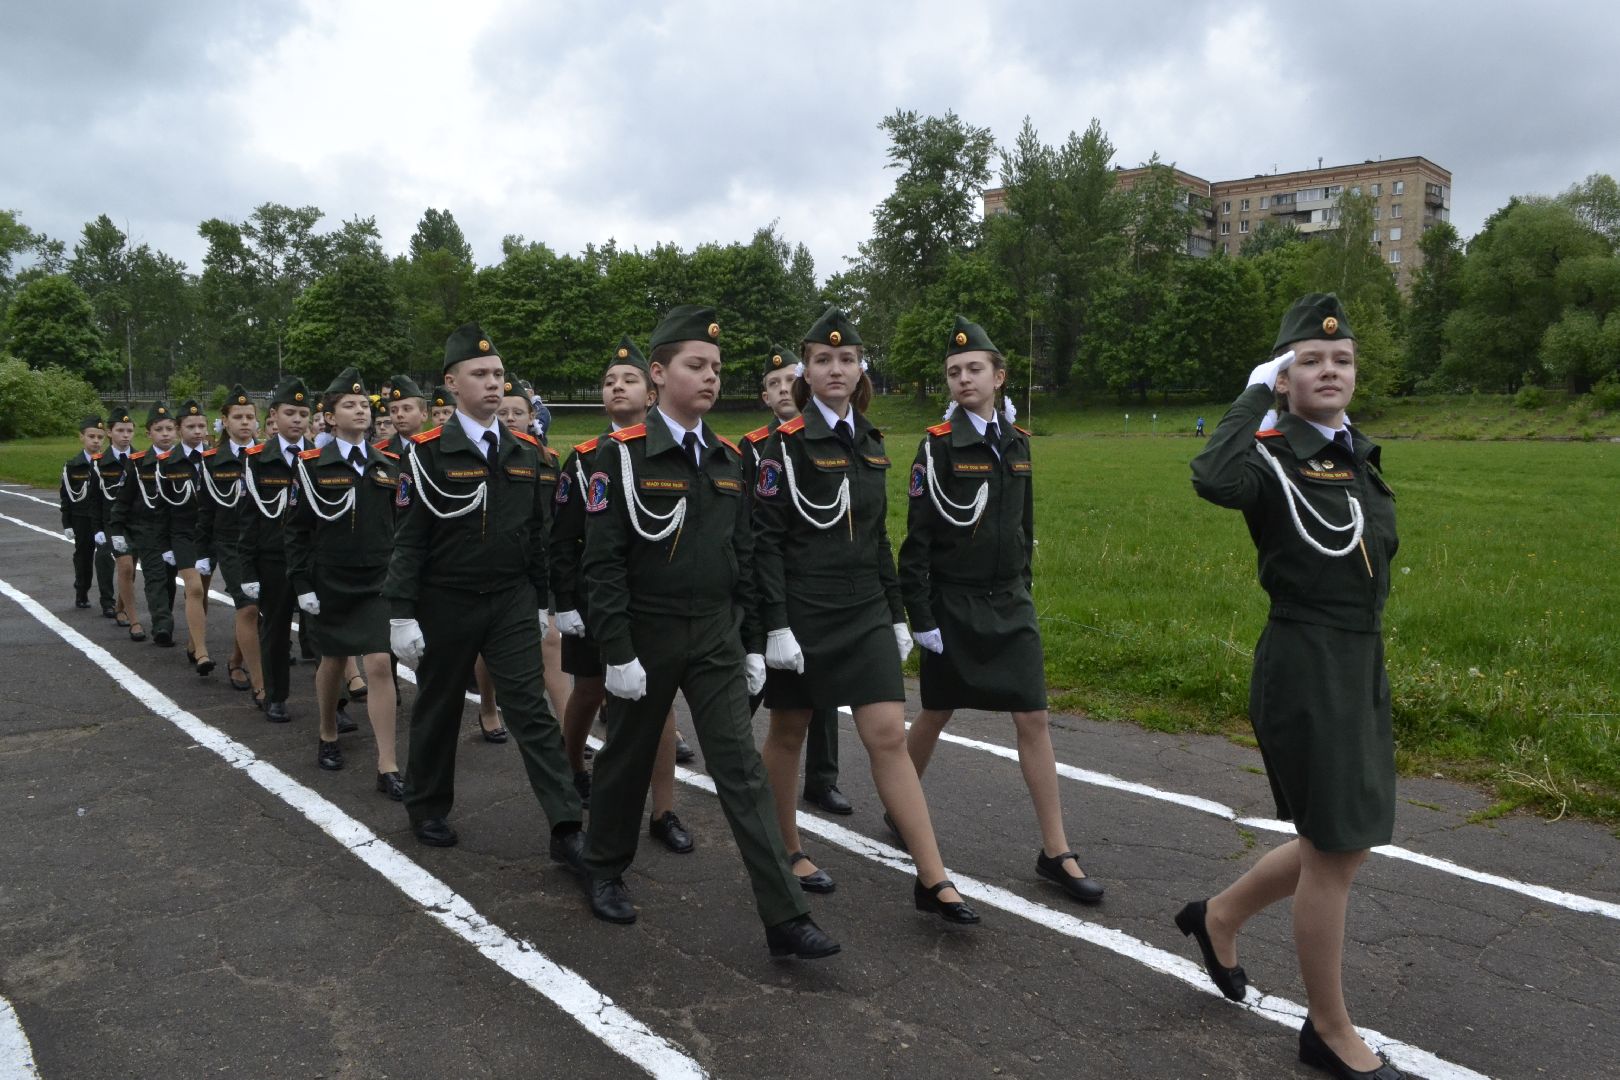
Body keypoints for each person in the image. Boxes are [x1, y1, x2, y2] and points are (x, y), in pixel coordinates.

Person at [1183, 294, 1403, 1080]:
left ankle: (1218, 917)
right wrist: (1252, 395)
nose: (1330, 370)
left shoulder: (1355, 454)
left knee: (1339, 842)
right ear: (1284, 377)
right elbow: (1212, 477)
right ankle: (1328, 1029)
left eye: (1342, 359)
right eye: (1310, 360)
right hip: (1306, 665)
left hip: (1358, 661)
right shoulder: (1269, 455)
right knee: (1335, 848)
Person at [578, 305, 836, 959]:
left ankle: (785, 915)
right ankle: (602, 866)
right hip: (647, 635)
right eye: (696, 365)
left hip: (717, 635)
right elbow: (602, 564)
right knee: (627, 757)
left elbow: (743, 556)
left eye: (717, 367)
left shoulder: (729, 459)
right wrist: (616, 651)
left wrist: (752, 642)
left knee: (741, 770)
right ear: (659, 374)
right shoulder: (621, 457)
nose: (711, 377)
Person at [753, 307, 977, 925]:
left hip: (864, 610)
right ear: (806, 373)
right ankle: (786, 848)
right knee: (789, 731)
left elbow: (878, 536)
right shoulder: (782, 445)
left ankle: (932, 876)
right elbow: (765, 542)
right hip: (804, 607)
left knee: (887, 736)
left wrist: (896, 612)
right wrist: (775, 624)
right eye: (823, 360)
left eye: (846, 359)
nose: (836, 369)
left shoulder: (872, 442)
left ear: (860, 371)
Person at [898, 317, 1104, 905]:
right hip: (954, 603)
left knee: (1033, 716)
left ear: (999, 376)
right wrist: (921, 616)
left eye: (974, 369)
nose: (963, 378)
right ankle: (899, 802)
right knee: (937, 710)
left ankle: (1056, 851)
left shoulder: (1018, 442)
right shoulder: (937, 445)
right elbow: (916, 541)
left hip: (1010, 601)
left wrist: (1025, 587)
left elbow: (1023, 524)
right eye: (954, 372)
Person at [383, 323, 585, 868]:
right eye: (480, 374)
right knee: (439, 704)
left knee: (531, 710)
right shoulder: (425, 454)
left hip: (510, 599)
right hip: (445, 599)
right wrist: (401, 614)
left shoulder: (528, 452)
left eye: (497, 374)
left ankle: (567, 824)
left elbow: (537, 537)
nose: (493, 383)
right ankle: (427, 805)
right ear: (452, 383)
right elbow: (409, 540)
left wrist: (543, 602)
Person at [551, 338, 694, 853]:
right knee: (590, 691)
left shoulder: (672, 454)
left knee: (659, 705)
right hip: (597, 601)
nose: (617, 387)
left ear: (652, 393)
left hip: (652, 603)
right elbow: (562, 538)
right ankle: (572, 767)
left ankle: (664, 810)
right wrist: (566, 602)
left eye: (629, 379)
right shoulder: (585, 459)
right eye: (610, 381)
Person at [739, 344, 851, 816]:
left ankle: (823, 778)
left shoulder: (824, 437)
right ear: (765, 397)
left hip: (813, 579)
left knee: (821, 682)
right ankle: (734, 759)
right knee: (753, 675)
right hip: (764, 576)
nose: (784, 389)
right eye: (774, 384)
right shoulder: (751, 447)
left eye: (790, 380)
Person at [285, 369, 404, 799]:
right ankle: (327, 731)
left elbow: (401, 527)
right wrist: (302, 585)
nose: (360, 411)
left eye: (363, 406)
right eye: (349, 405)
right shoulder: (310, 466)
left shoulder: (388, 465)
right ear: (331, 418)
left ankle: (387, 764)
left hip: (377, 581)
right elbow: (296, 531)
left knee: (379, 663)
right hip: (330, 581)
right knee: (333, 662)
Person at [239, 377, 316, 721]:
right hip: (274, 557)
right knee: (276, 629)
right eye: (290, 413)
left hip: (312, 557)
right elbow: (248, 518)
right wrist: (247, 569)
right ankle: (276, 696)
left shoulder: (320, 457)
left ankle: (336, 704)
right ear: (274, 416)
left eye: (303, 413)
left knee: (322, 632)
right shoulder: (257, 459)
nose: (297, 420)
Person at [197, 386, 264, 695]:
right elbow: (205, 510)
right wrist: (202, 551)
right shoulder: (212, 461)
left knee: (259, 608)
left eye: (250, 416)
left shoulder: (268, 456)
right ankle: (261, 684)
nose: (245, 422)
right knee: (247, 606)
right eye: (238, 417)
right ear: (224, 421)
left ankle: (236, 660)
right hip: (231, 542)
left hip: (264, 541)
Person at [108, 402, 180, 648]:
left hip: (175, 530)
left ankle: (164, 617)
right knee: (155, 576)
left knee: (169, 578)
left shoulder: (183, 461)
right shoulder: (138, 463)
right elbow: (124, 498)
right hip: (146, 528)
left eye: (169, 429)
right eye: (159, 429)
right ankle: (162, 626)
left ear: (176, 430)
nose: (165, 434)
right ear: (149, 434)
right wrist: (116, 529)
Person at [158, 399, 215, 675]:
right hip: (182, 533)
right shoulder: (168, 462)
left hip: (209, 534)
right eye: (191, 426)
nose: (197, 431)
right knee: (193, 588)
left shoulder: (216, 458)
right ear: (179, 429)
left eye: (201, 425)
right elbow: (160, 507)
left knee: (202, 589)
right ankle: (203, 653)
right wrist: (164, 545)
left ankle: (193, 643)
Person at [96, 407, 140, 633]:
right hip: (111, 523)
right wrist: (96, 528)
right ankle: (133, 620)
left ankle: (121, 607)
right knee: (125, 566)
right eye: (120, 430)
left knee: (131, 569)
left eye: (129, 431)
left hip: (136, 522)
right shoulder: (99, 462)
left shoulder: (141, 460)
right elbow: (94, 498)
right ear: (109, 433)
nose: (125, 435)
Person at [59, 415, 109, 612]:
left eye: (100, 437)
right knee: (83, 557)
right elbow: (66, 497)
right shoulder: (73, 465)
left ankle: (108, 599)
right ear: (82, 437)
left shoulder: (108, 464)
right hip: (82, 518)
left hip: (104, 518)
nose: (96, 441)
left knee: (105, 559)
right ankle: (82, 590)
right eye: (91, 436)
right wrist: (67, 523)